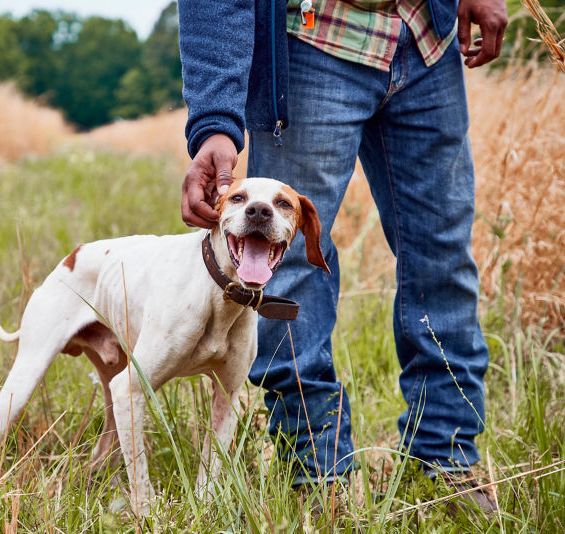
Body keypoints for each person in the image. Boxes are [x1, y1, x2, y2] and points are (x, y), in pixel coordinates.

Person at [178, 0, 507, 511]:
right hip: (314, 36)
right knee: (286, 265)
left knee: (443, 258)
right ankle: (316, 472)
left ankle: (446, 461)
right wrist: (216, 121)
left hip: (425, 39)